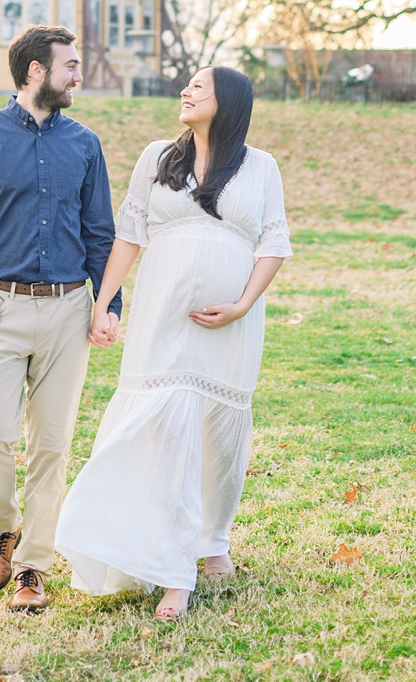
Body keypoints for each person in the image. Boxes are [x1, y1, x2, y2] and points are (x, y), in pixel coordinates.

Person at [56, 65, 290, 619]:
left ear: (226, 102)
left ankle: (214, 539)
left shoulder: (260, 167)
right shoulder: (159, 155)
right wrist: (104, 301)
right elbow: (130, 230)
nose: (185, 92)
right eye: (186, 85)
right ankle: (173, 570)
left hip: (230, 325)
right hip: (163, 319)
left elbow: (274, 240)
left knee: (223, 441)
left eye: (198, 87)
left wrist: (241, 305)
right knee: (165, 430)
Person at [0, 25, 123, 614]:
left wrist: (108, 305)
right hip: (2, 308)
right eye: (70, 65)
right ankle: (2, 529)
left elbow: (100, 233)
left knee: (52, 446)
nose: (78, 74)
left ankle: (33, 567)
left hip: (69, 312)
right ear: (35, 71)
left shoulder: (85, 144)